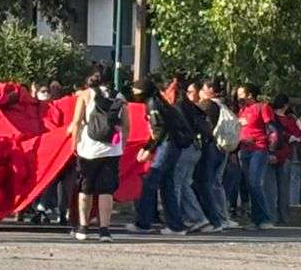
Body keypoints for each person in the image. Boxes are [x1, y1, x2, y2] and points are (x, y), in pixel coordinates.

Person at [70, 69, 128, 241]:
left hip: (88, 149)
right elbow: (126, 125)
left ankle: (83, 227)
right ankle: (104, 230)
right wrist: (122, 145)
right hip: (112, 149)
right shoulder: (119, 97)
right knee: (106, 190)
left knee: (85, 188)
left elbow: (76, 122)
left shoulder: (85, 95)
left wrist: (74, 143)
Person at [131, 78, 184, 234]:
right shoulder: (157, 102)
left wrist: (149, 149)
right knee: (167, 185)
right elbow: (158, 131)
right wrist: (147, 147)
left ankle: (143, 223)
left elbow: (159, 130)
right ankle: (175, 225)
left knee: (150, 183)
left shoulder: (153, 104)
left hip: (166, 145)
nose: (134, 94)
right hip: (171, 145)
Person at [172, 77, 214, 233]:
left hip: (185, 147)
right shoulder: (191, 107)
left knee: (176, 184)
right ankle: (197, 217)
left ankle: (176, 220)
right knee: (184, 184)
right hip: (195, 147)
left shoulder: (178, 106)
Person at [236, 85, 278, 230]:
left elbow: (272, 129)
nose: (238, 97)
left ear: (250, 94)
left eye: (241, 94)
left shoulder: (262, 108)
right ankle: (256, 219)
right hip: (244, 150)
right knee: (250, 185)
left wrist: (271, 150)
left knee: (255, 183)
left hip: (259, 149)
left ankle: (265, 218)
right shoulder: (242, 110)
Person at [198, 79, 236, 230]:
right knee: (217, 183)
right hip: (223, 147)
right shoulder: (224, 106)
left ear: (210, 90)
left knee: (208, 182)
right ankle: (223, 216)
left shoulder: (208, 105)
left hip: (212, 146)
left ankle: (216, 217)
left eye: (203, 89)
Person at [269, 95, 301, 223]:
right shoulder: (289, 119)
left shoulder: (269, 118)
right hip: (285, 154)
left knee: (270, 188)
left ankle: (271, 216)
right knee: (283, 188)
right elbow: (299, 134)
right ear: (285, 105)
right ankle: (284, 216)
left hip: (270, 153)